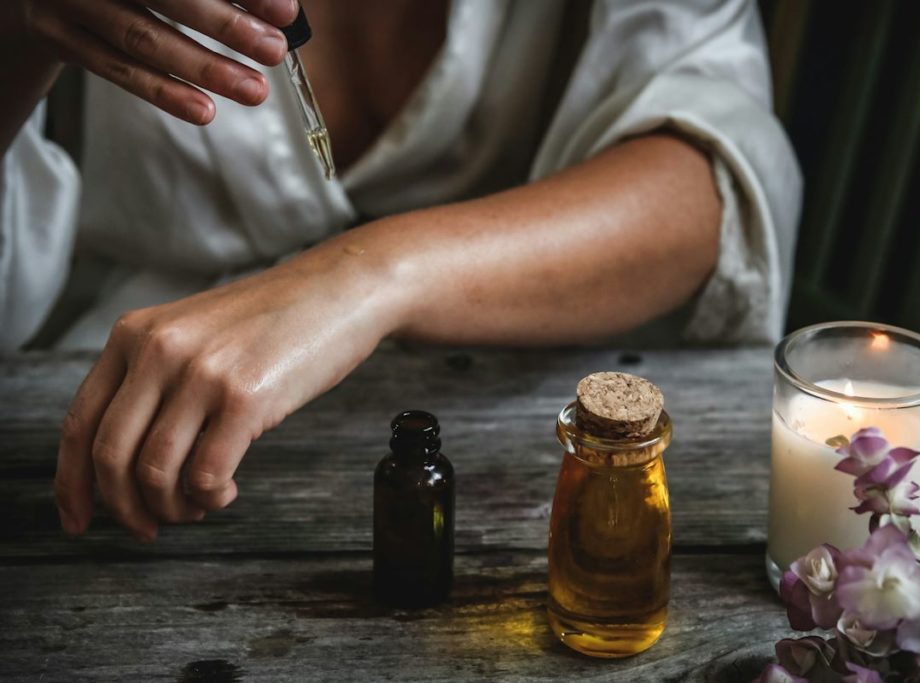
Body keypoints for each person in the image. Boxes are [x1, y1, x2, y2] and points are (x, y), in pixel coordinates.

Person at [0, 0, 801, 541]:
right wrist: (20, 29)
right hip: (105, 440)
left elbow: (709, 173)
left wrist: (367, 274)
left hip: (499, 450)